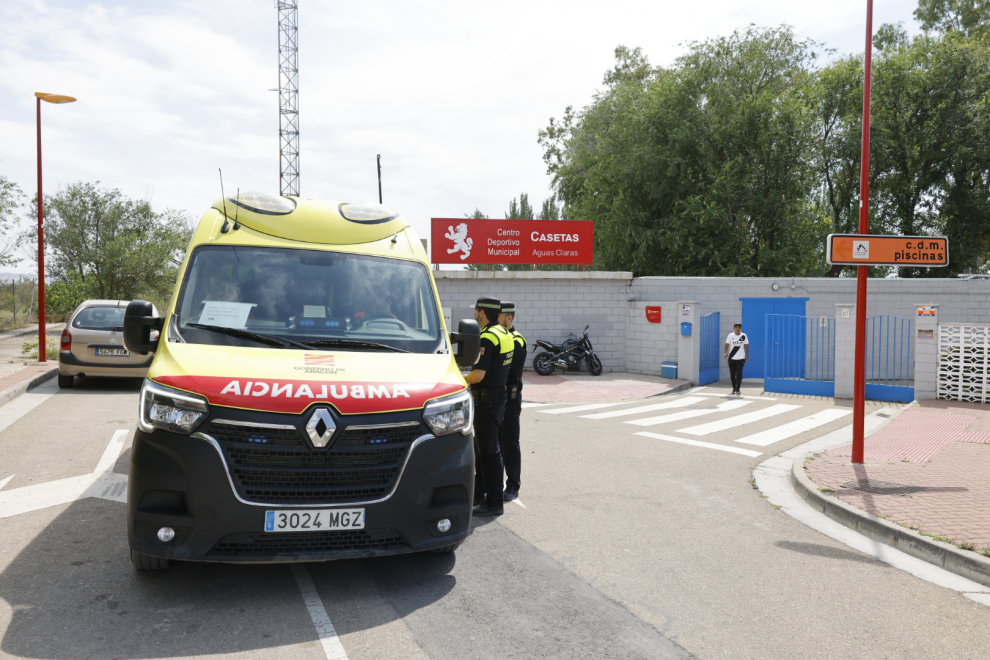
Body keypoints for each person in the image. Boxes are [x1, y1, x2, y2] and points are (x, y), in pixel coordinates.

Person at [464, 296, 514, 516]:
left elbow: (477, 376)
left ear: (482, 313)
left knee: (488, 452)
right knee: (486, 449)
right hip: (498, 397)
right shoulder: (505, 334)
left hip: (487, 400)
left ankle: (493, 503)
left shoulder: (487, 338)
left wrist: (459, 377)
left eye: (476, 311)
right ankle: (481, 495)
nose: (475, 315)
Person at [498, 300, 527, 502]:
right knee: (496, 442)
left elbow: (505, 369)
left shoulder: (516, 340)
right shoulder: (503, 338)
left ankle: (513, 485)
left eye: (499, 317)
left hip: (511, 396)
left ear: (509, 318)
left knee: (509, 442)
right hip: (499, 396)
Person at [724, 322, 749, 395]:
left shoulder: (743, 336)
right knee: (732, 374)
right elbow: (727, 344)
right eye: (736, 327)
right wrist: (725, 352)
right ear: (734, 328)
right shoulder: (730, 335)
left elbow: (746, 345)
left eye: (739, 327)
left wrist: (747, 355)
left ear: (741, 328)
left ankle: (738, 389)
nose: (738, 329)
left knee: (739, 373)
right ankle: (734, 388)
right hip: (731, 358)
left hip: (741, 358)